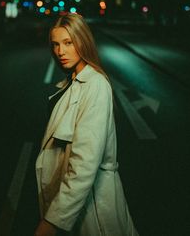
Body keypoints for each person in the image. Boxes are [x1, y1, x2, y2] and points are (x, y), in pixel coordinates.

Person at [34, 13, 139, 236]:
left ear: (82, 41)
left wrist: (52, 222)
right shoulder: (73, 82)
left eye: (68, 43)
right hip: (77, 208)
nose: (60, 51)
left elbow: (84, 163)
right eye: (55, 44)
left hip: (94, 211)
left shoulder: (95, 86)